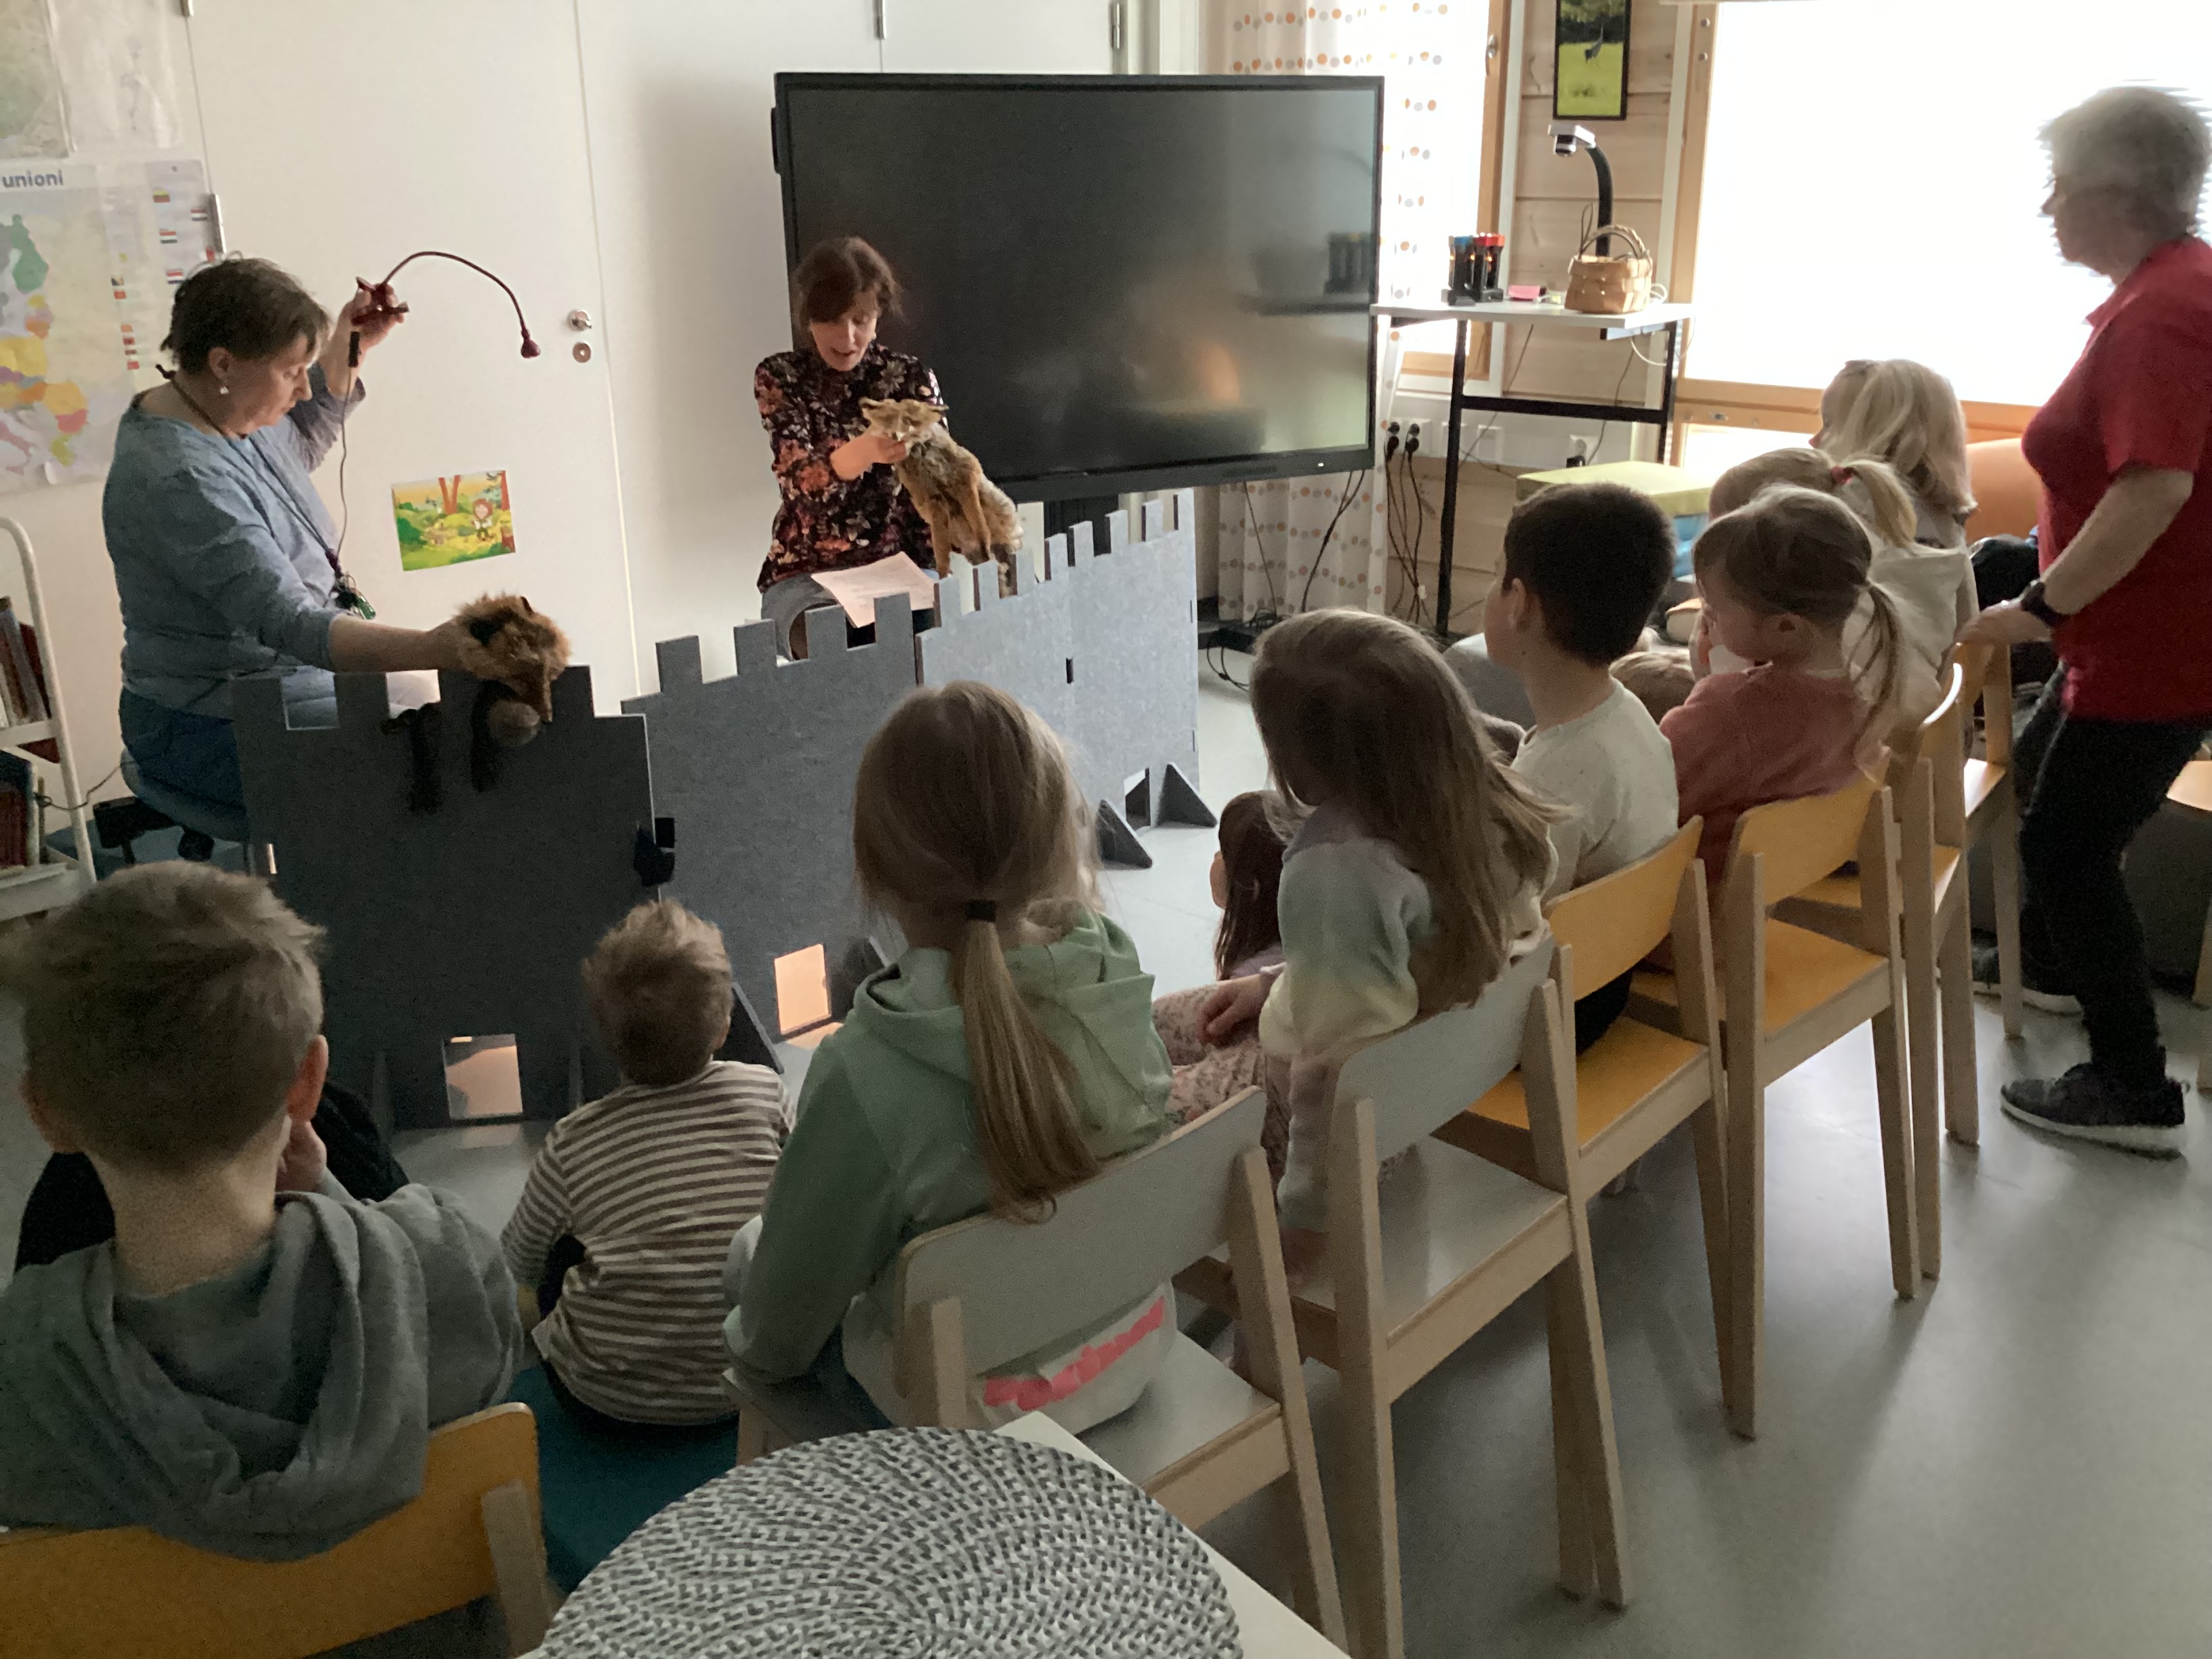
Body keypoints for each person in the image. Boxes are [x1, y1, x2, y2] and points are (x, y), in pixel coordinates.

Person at [0, 864, 521, 1557]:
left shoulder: (22, 1375)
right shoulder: (451, 1268)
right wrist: (332, 1198)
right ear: (307, 1084)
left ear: (46, 1114)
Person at [724, 682, 1175, 1431]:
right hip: (1134, 1344)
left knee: (751, 1259)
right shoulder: (1112, 974)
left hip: (966, 1425)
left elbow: (776, 1336)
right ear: (1056, 842)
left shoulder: (866, 1069)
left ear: (875, 871)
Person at [1960, 87, 2212, 1155]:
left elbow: (2154, 488)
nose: (2046, 208)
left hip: (2156, 645)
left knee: (2069, 844)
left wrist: (2038, 607)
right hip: (2125, 633)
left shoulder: (2164, 312)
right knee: (2037, 773)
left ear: (2115, 191)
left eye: (2059, 186)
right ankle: (2055, 965)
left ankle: (2133, 1087)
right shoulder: (2166, 290)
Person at [1196, 611, 1556, 1230]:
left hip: (1327, 1134)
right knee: (1151, 1037)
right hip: (1417, 1090)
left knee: (1115, 1114)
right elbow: (1404, 953)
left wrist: (1306, 1209)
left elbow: (1333, 1069)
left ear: (1301, 760)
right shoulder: (1493, 806)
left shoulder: (1334, 869)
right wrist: (1275, 981)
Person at [106, 258, 498, 823]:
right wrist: (443, 647)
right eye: (292, 371)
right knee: (423, 764)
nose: (303, 387)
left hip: (280, 680)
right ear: (223, 362)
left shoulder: (214, 407)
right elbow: (292, 624)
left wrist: (348, 345)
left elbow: (298, 447)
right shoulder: (181, 479)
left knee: (422, 710)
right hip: (203, 722)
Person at [502, 900, 790, 1431]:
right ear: (723, 1026)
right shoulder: (765, 1093)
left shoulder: (572, 1142)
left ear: (606, 1038)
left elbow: (516, 1259)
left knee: (559, 1252)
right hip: (756, 1383)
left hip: (610, 1405)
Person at [1481, 482, 1679, 1049]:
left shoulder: (1554, 777)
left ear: (1520, 604)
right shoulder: (1631, 713)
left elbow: (1502, 929)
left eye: (1497, 577)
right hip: (1606, 976)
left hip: (1549, 1017)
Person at [1665, 486, 1904, 890]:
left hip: (1696, 907)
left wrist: (1710, 688)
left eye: (1714, 612)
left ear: (1786, 626)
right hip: (1785, 884)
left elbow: (1649, 797)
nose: (1708, 623)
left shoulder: (1730, 711)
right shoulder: (1866, 688)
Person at [754, 237, 943, 658]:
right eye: (832, 321)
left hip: (901, 571)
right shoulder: (780, 376)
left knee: (926, 649)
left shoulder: (911, 378)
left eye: (862, 319)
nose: (848, 336)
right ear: (808, 318)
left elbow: (940, 485)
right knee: (833, 650)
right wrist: (866, 449)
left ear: (879, 315)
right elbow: (801, 486)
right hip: (807, 578)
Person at [1707, 447, 1974, 726]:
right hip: (1928, 738)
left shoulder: (1824, 616)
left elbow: (1738, 716)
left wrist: (1722, 652)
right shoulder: (1922, 566)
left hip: (1862, 746)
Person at [1152, 790, 1292, 1168]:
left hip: (1287, 1107)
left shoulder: (1248, 967)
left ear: (1251, 887)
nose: (1215, 861)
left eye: (1223, 854)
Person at [1814, 358, 1978, 548]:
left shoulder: (1853, 503)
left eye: (1829, 424)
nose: (1815, 440)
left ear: (1879, 431)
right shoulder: (1943, 518)